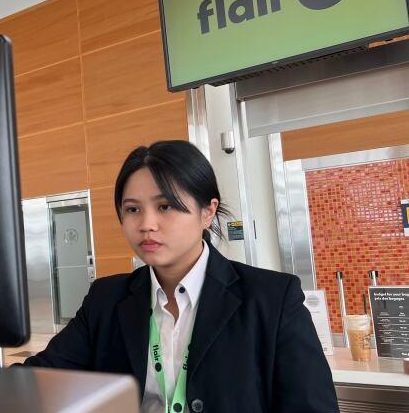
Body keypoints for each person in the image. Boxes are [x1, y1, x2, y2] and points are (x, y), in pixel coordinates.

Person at [22, 141, 338, 412]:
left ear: (208, 211)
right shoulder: (106, 299)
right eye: (132, 209)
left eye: (165, 206)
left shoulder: (272, 298)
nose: (146, 224)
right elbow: (41, 378)